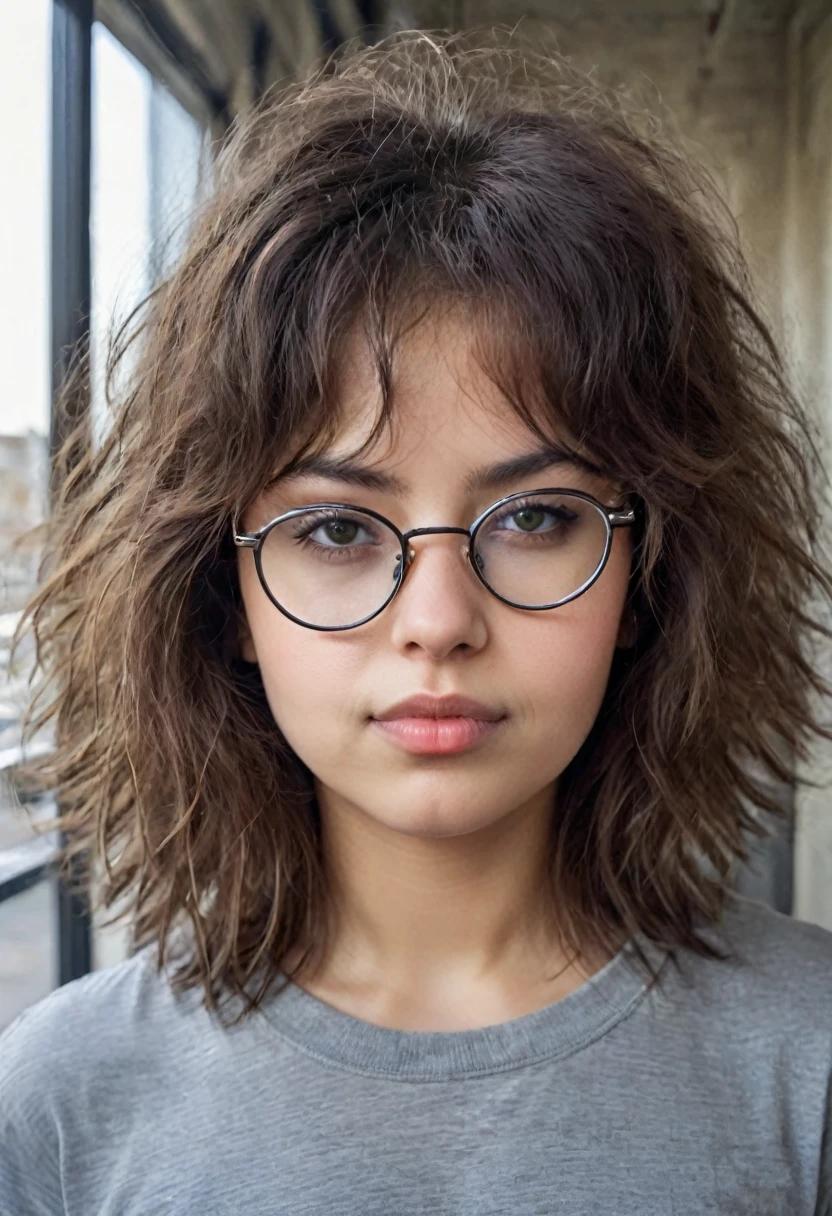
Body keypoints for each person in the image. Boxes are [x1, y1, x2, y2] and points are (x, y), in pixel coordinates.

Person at [2, 25, 831, 1216]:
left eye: (536, 517)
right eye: (336, 531)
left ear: (648, 573)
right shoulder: (61, 1104)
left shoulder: (805, 1068)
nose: (438, 620)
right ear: (223, 596)